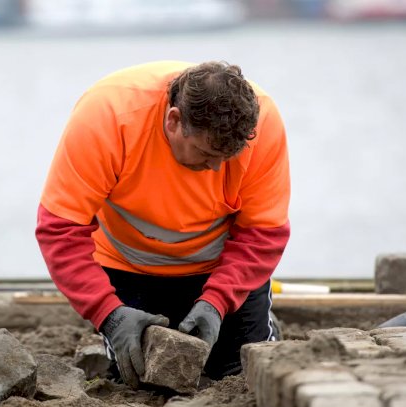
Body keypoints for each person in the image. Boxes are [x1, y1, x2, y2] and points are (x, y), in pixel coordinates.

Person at [36, 61, 290, 388]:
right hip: (130, 265)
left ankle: (254, 322)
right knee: (142, 380)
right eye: (206, 152)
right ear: (174, 120)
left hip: (219, 266)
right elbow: (59, 229)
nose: (216, 167)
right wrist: (108, 314)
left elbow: (262, 235)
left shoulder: (263, 121)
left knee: (241, 372)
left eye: (227, 157)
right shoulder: (107, 115)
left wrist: (218, 300)